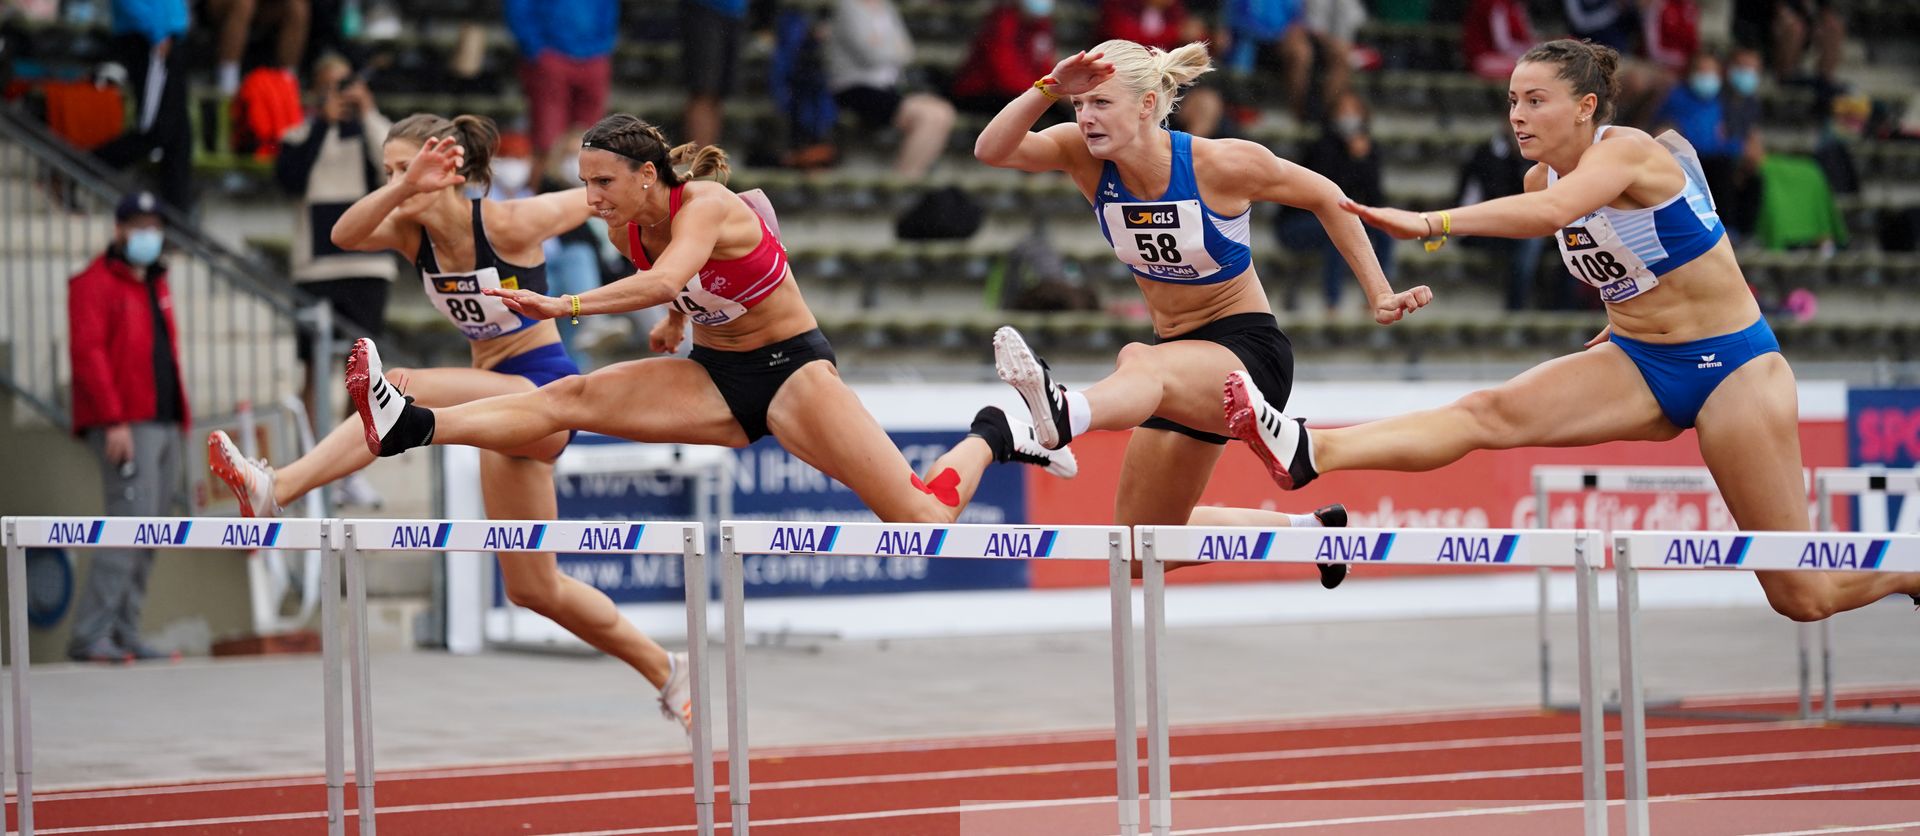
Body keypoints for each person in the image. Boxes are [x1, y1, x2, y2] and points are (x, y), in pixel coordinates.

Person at [1240, 39, 1920, 621]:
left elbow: (1562, 211)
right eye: (1512, 99)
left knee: (1802, 595)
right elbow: (1617, 255)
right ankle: (1311, 450)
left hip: (1733, 369)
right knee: (1488, 412)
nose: (1518, 115)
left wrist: (1430, 223)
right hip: (1639, 360)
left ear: (1586, 107)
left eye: (1536, 100)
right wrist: (1618, 320)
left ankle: (1910, 572)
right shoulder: (1538, 179)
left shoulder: (1626, 151)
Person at [348, 113, 1076, 537]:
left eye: (602, 182)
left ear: (645, 177)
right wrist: (672, 321)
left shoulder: (704, 206)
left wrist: (562, 305)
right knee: (566, 400)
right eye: (585, 182)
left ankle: (994, 434)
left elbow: (671, 274)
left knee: (917, 521)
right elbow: (677, 286)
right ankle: (414, 425)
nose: (591, 197)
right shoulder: (624, 229)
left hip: (792, 371)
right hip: (712, 376)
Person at [208, 113, 699, 732]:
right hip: (495, 412)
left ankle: (276, 489)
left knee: (400, 387)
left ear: (454, 169)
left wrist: (679, 299)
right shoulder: (411, 234)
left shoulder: (509, 222)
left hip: (545, 396)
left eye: (412, 167)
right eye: (389, 171)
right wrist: (401, 186)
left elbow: (616, 198)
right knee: (534, 588)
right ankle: (667, 671)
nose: (400, 181)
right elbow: (342, 233)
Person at [972, 41, 1431, 585]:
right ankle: (1311, 532)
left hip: (1246, 355)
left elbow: (1329, 196)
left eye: (1101, 104)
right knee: (1142, 550)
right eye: (1079, 106)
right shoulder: (1083, 155)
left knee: (1137, 359)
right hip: (1175, 367)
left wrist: (1379, 292)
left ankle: (1064, 413)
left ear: (1146, 105)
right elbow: (992, 150)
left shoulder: (1221, 163)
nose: (1086, 118)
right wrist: (1048, 85)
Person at [66, 191, 188, 663]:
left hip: (162, 420)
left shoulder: (155, 282)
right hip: (125, 423)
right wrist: (113, 421)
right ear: (118, 230)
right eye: (137, 226)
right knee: (126, 525)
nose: (147, 235)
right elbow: (88, 355)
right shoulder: (93, 283)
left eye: (153, 226)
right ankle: (89, 636)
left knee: (150, 532)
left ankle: (124, 632)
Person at [275, 54, 397, 477]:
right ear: (314, 91)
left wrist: (368, 114)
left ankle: (350, 467)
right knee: (314, 366)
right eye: (329, 85)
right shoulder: (298, 135)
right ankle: (311, 461)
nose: (340, 92)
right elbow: (290, 181)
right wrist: (323, 122)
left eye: (345, 83)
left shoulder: (376, 132)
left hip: (369, 265)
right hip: (316, 267)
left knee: (366, 372)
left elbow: (394, 174)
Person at [827, 0, 957, 178]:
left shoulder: (886, 7)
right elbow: (870, 55)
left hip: (887, 87)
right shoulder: (849, 6)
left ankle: (912, 175)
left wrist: (881, 45)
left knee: (943, 112)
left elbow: (908, 51)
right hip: (856, 88)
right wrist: (892, 48)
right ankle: (905, 177)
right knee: (927, 116)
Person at [505, 0, 616, 177]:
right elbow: (519, 10)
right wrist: (536, 50)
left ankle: (587, 192)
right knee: (547, 133)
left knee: (592, 136)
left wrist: (603, 46)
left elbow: (608, 11)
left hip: (593, 56)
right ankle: (543, 188)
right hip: (551, 55)